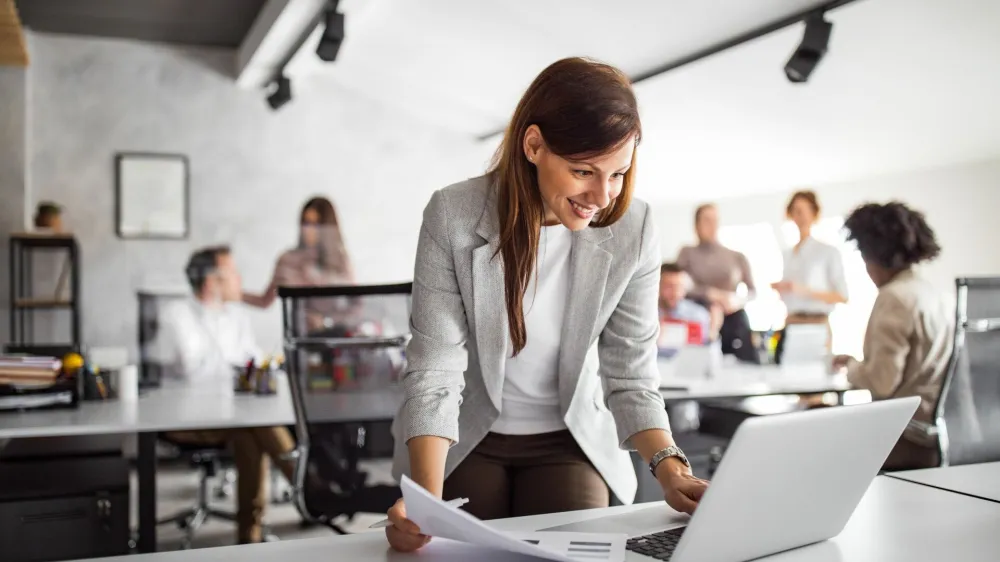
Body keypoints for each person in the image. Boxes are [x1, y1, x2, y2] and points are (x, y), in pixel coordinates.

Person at [386, 57, 708, 553]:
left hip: (570, 438)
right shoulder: (454, 213)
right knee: (456, 552)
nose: (602, 196)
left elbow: (630, 373)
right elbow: (435, 368)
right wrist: (425, 503)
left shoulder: (634, 229)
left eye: (618, 173)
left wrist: (669, 467)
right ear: (533, 145)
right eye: (584, 171)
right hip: (469, 433)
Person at [160, 246, 297, 544]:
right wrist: (242, 370)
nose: (240, 280)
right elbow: (192, 371)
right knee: (255, 423)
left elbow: (253, 361)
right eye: (233, 273)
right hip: (187, 417)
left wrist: (266, 366)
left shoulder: (235, 316)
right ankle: (305, 483)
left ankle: (249, 535)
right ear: (212, 281)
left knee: (249, 432)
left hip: (232, 415)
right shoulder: (177, 314)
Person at [832, 202, 952, 470]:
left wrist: (850, 368)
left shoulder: (894, 297)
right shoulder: (934, 294)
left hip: (904, 440)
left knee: (817, 441)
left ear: (876, 256)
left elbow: (882, 382)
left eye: (864, 258)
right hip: (937, 435)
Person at [772, 191, 848, 363]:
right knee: (791, 379)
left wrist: (804, 291)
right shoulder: (788, 254)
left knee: (816, 381)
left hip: (817, 324)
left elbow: (842, 296)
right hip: (792, 323)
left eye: (804, 210)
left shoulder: (827, 252)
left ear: (814, 213)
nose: (800, 216)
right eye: (796, 211)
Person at [677, 203, 759, 363]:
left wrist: (735, 301)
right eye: (706, 220)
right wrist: (710, 294)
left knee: (743, 361)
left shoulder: (736, 257)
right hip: (698, 317)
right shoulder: (687, 253)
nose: (712, 225)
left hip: (732, 317)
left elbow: (752, 292)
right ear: (696, 225)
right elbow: (678, 287)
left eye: (715, 220)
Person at [243, 196, 355, 312]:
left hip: (334, 328)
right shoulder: (287, 260)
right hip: (297, 327)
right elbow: (265, 301)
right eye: (305, 223)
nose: (308, 230)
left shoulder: (339, 261)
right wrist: (235, 294)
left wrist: (324, 321)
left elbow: (354, 306)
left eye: (316, 225)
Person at [659, 262, 717, 344]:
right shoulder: (645, 315)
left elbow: (707, 349)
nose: (675, 293)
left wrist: (713, 331)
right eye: (669, 286)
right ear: (657, 286)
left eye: (680, 287)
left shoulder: (698, 315)